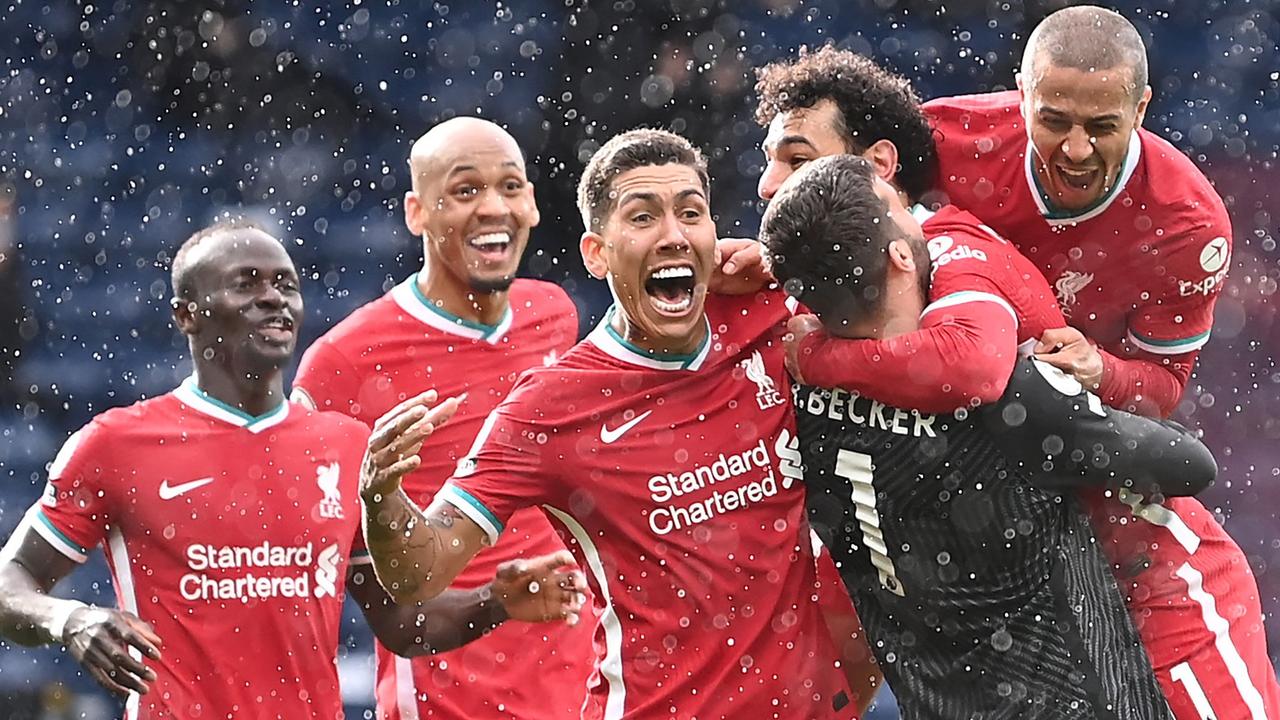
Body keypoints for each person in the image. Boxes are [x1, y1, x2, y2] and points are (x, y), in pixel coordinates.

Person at [753, 39, 1280, 720]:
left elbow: (980, 369)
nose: (770, 184)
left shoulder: (958, 272)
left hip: (1128, 549)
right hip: (995, 599)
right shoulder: (811, 299)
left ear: (879, 174)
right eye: (1055, 121)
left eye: (797, 161)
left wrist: (1103, 372)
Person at [358, 128, 857, 719]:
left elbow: (909, 261)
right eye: (642, 217)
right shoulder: (548, 409)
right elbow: (418, 573)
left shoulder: (774, 315)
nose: (673, 235)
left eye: (690, 213)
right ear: (597, 253)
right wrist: (381, 498)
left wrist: (778, 263)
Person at [0, 220, 586, 719]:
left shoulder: (346, 446)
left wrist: (498, 601)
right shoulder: (116, 445)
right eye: (246, 283)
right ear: (187, 316)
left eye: (285, 284)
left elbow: (402, 622)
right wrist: (69, 618)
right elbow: (10, 586)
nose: (273, 297)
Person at [291, 116, 597, 720]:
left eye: (510, 187)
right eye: (464, 191)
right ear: (417, 213)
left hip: (578, 684)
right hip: (446, 699)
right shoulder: (343, 364)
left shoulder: (555, 315)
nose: (493, 207)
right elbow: (382, 608)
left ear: (533, 204)